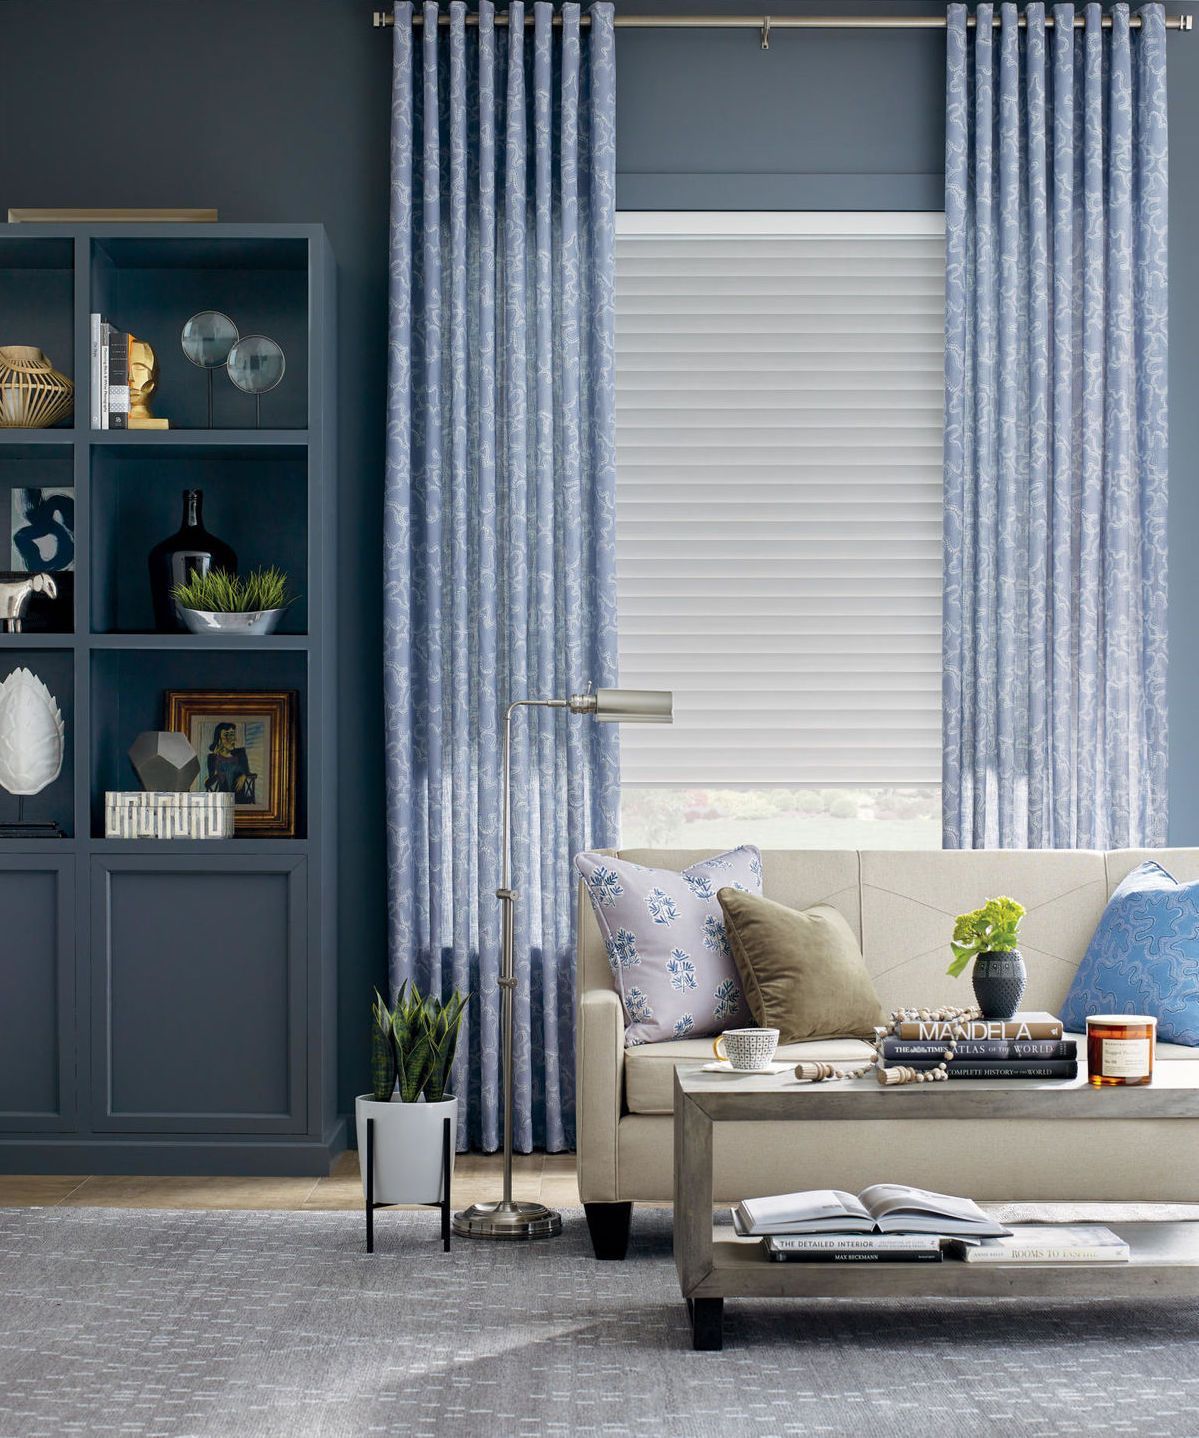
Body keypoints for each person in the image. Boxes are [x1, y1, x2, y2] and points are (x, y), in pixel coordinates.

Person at [205, 722, 256, 804]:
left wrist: (244, 775)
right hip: (223, 799)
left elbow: (247, 771)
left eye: (232, 734)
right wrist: (215, 757)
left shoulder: (240, 753)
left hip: (240, 798)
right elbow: (209, 783)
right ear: (219, 738)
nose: (230, 739)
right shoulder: (212, 757)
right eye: (225, 735)